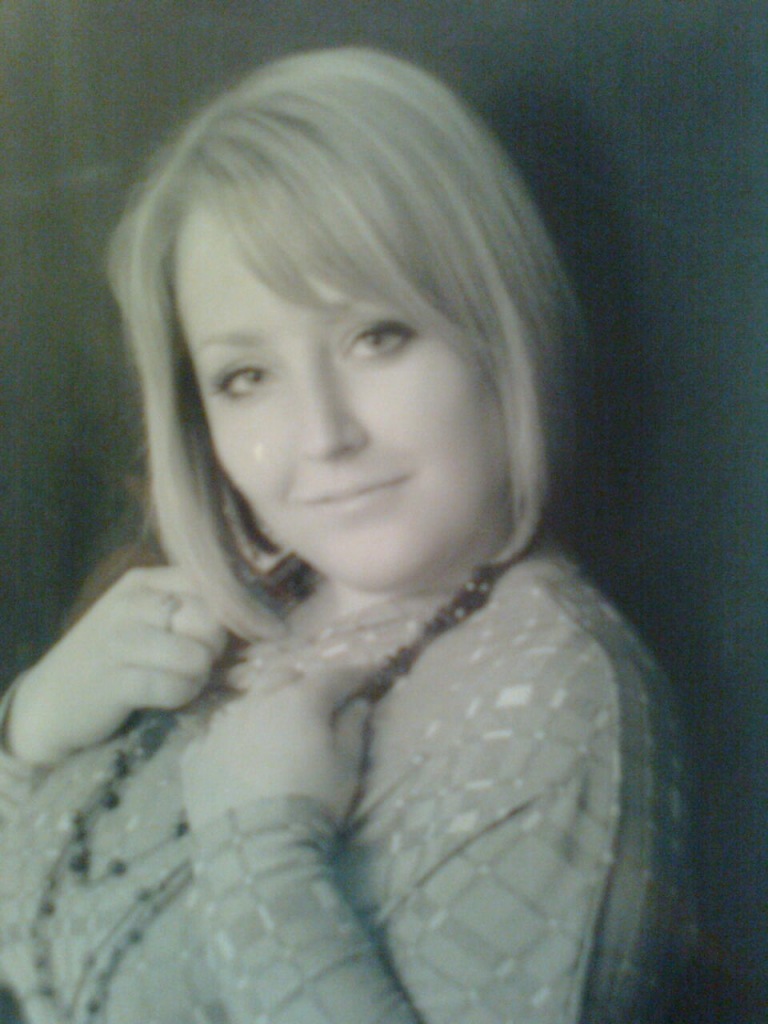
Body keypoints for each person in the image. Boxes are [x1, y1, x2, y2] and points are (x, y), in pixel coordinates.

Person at [0, 47, 692, 1024]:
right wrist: (27, 732)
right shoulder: (217, 592)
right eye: (247, 377)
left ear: (498, 332)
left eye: (377, 336)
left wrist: (260, 852)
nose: (322, 435)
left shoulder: (561, 706)